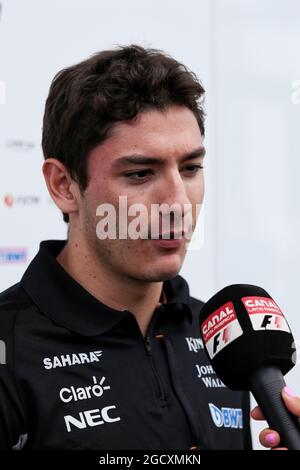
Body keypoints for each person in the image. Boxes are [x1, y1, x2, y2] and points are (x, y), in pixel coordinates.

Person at [0, 45, 298, 450]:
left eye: (191, 168)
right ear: (63, 185)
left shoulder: (221, 335)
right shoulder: (10, 345)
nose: (178, 202)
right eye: (141, 173)